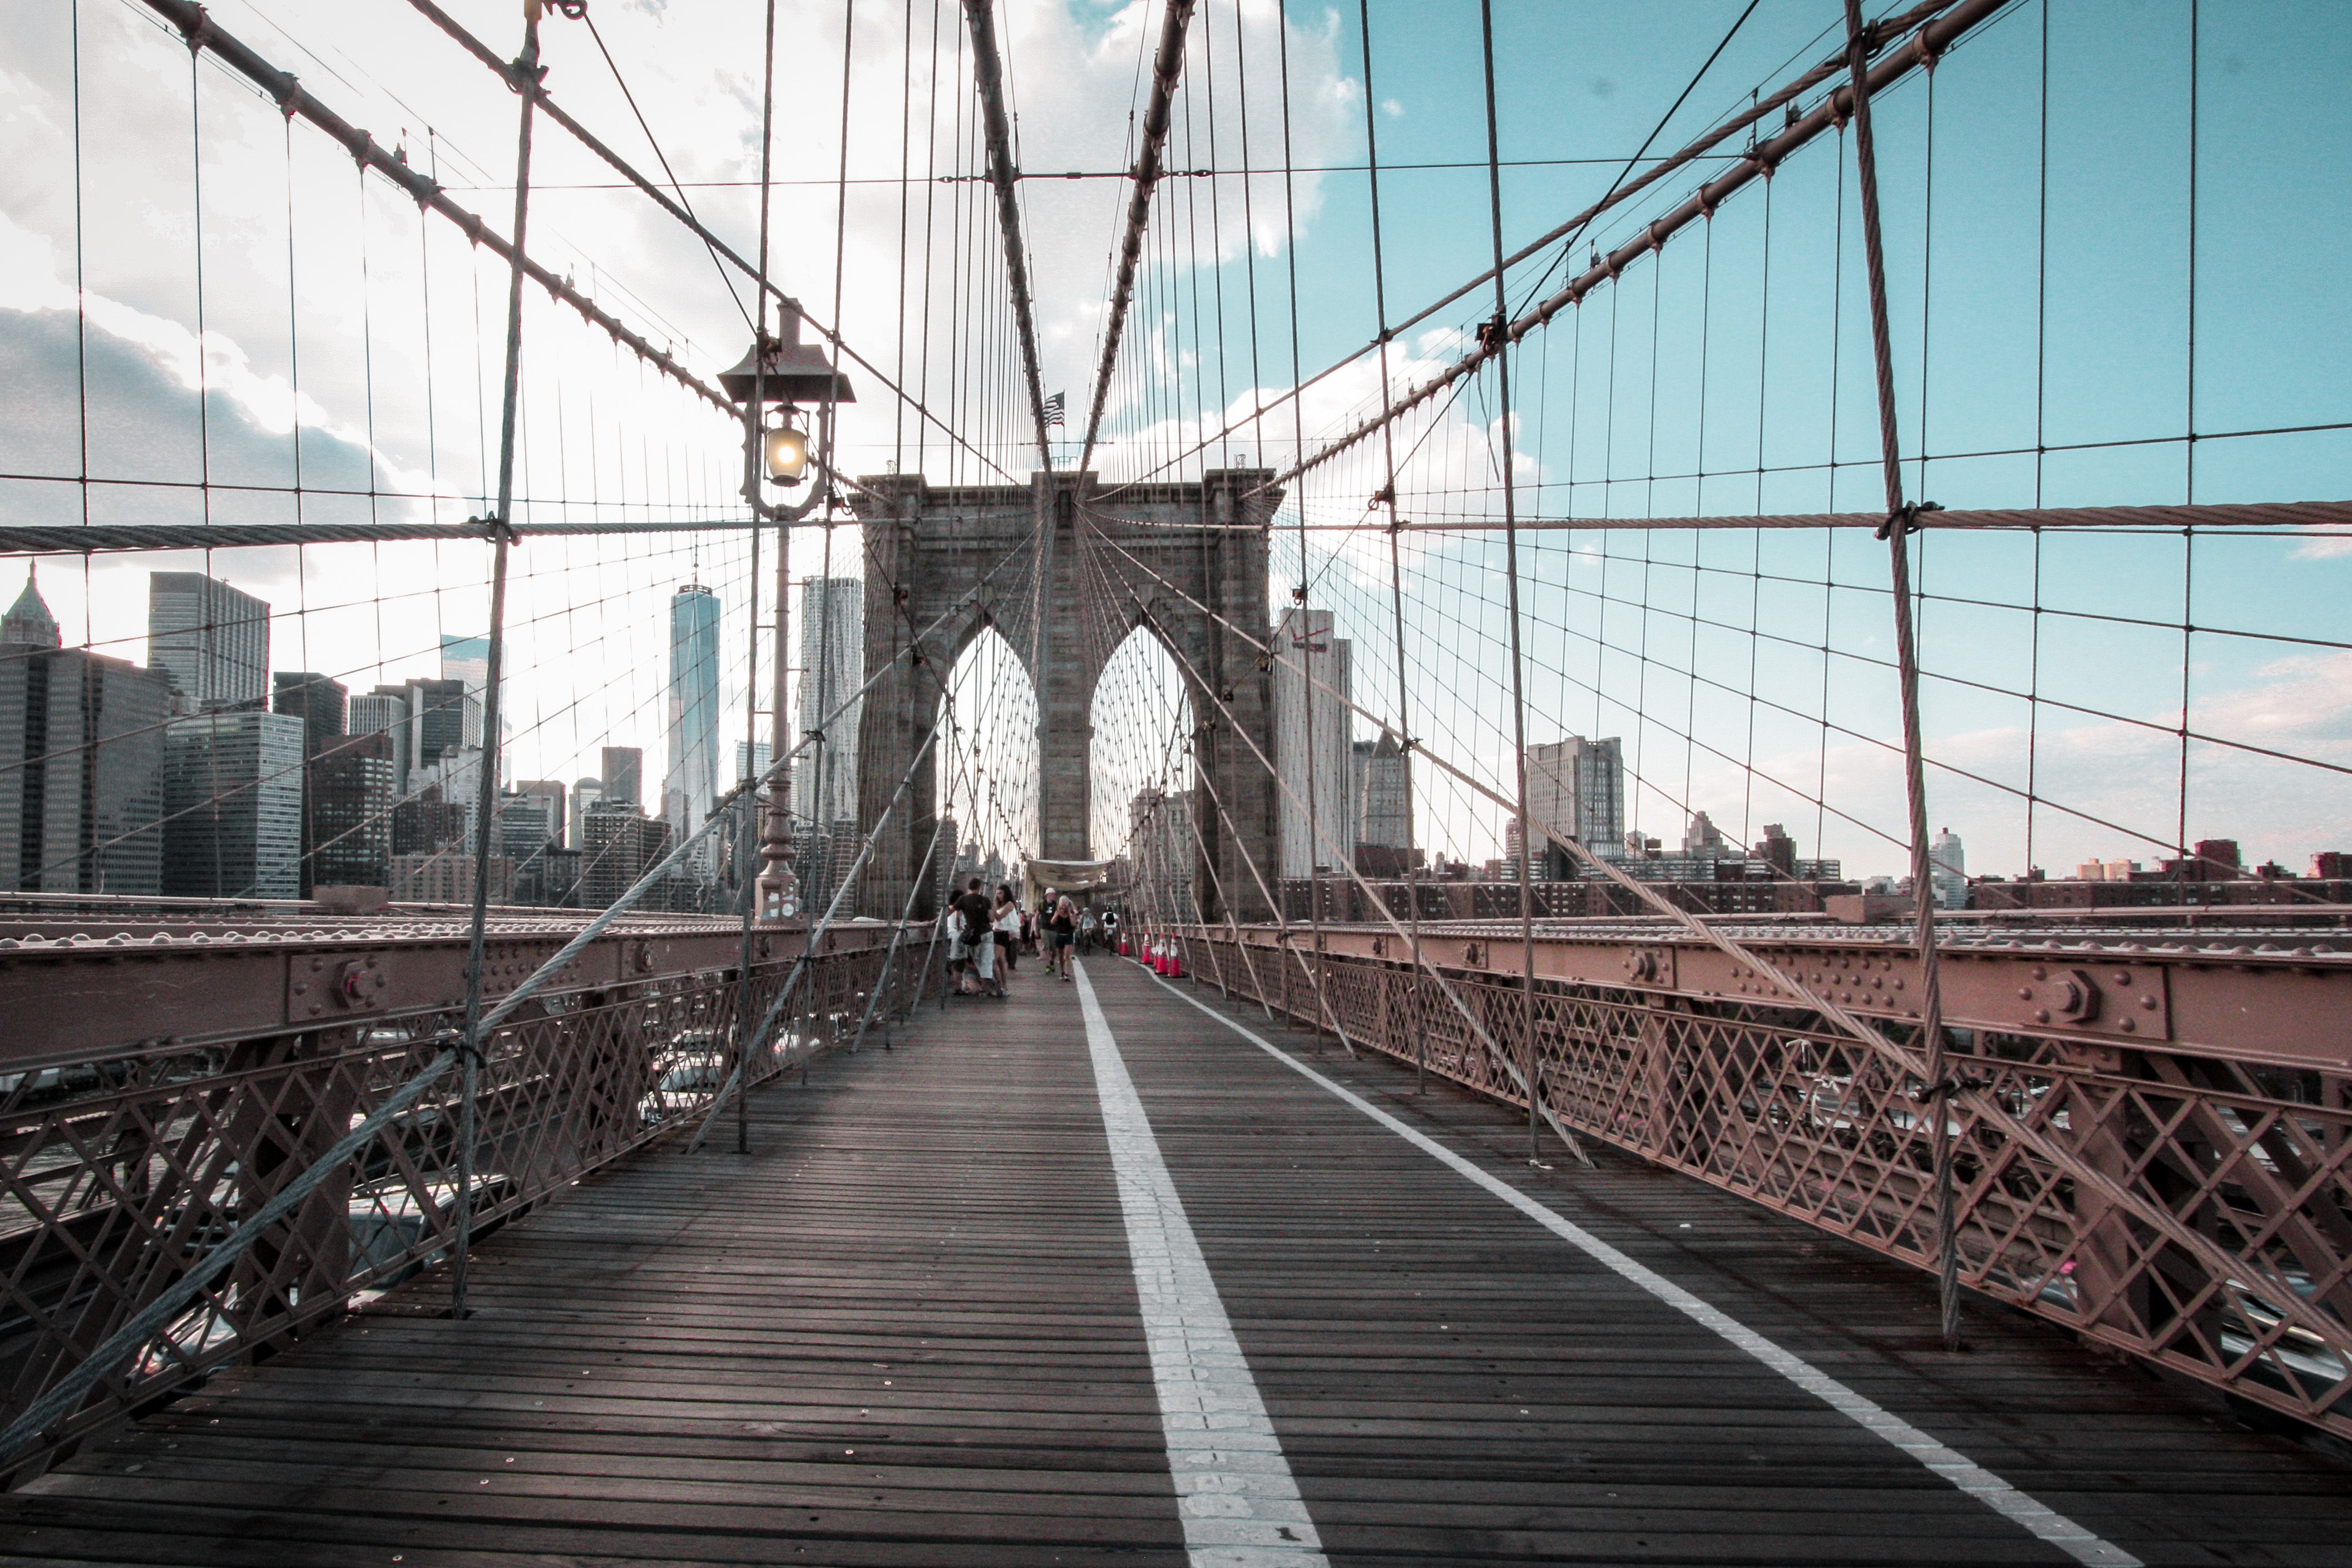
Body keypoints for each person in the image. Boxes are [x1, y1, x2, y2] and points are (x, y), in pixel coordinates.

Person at [952, 875, 995, 997]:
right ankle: (984, 989)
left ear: (969, 887)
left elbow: (954, 913)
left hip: (972, 934)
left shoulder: (963, 899)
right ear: (979, 887)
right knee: (986, 961)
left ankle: (976, 986)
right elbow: (992, 918)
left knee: (977, 959)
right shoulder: (986, 900)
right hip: (986, 932)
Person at [992, 883, 1020, 986]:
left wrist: (993, 911)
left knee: (993, 960)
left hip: (1002, 935)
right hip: (997, 933)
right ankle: (1003, 985)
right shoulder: (1001, 905)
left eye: (1001, 893)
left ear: (1006, 894)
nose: (999, 896)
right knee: (1001, 961)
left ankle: (999, 984)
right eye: (998, 894)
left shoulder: (1009, 904)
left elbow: (999, 917)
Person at [1047, 894, 1079, 981]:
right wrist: (1058, 913)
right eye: (1062, 905)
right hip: (1059, 935)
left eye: (1065, 905)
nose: (1063, 907)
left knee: (1066, 956)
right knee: (1061, 956)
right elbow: (1052, 922)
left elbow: (1073, 924)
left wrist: (1069, 913)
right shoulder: (1058, 911)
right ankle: (1062, 972)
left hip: (1068, 935)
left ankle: (1067, 973)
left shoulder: (1071, 912)